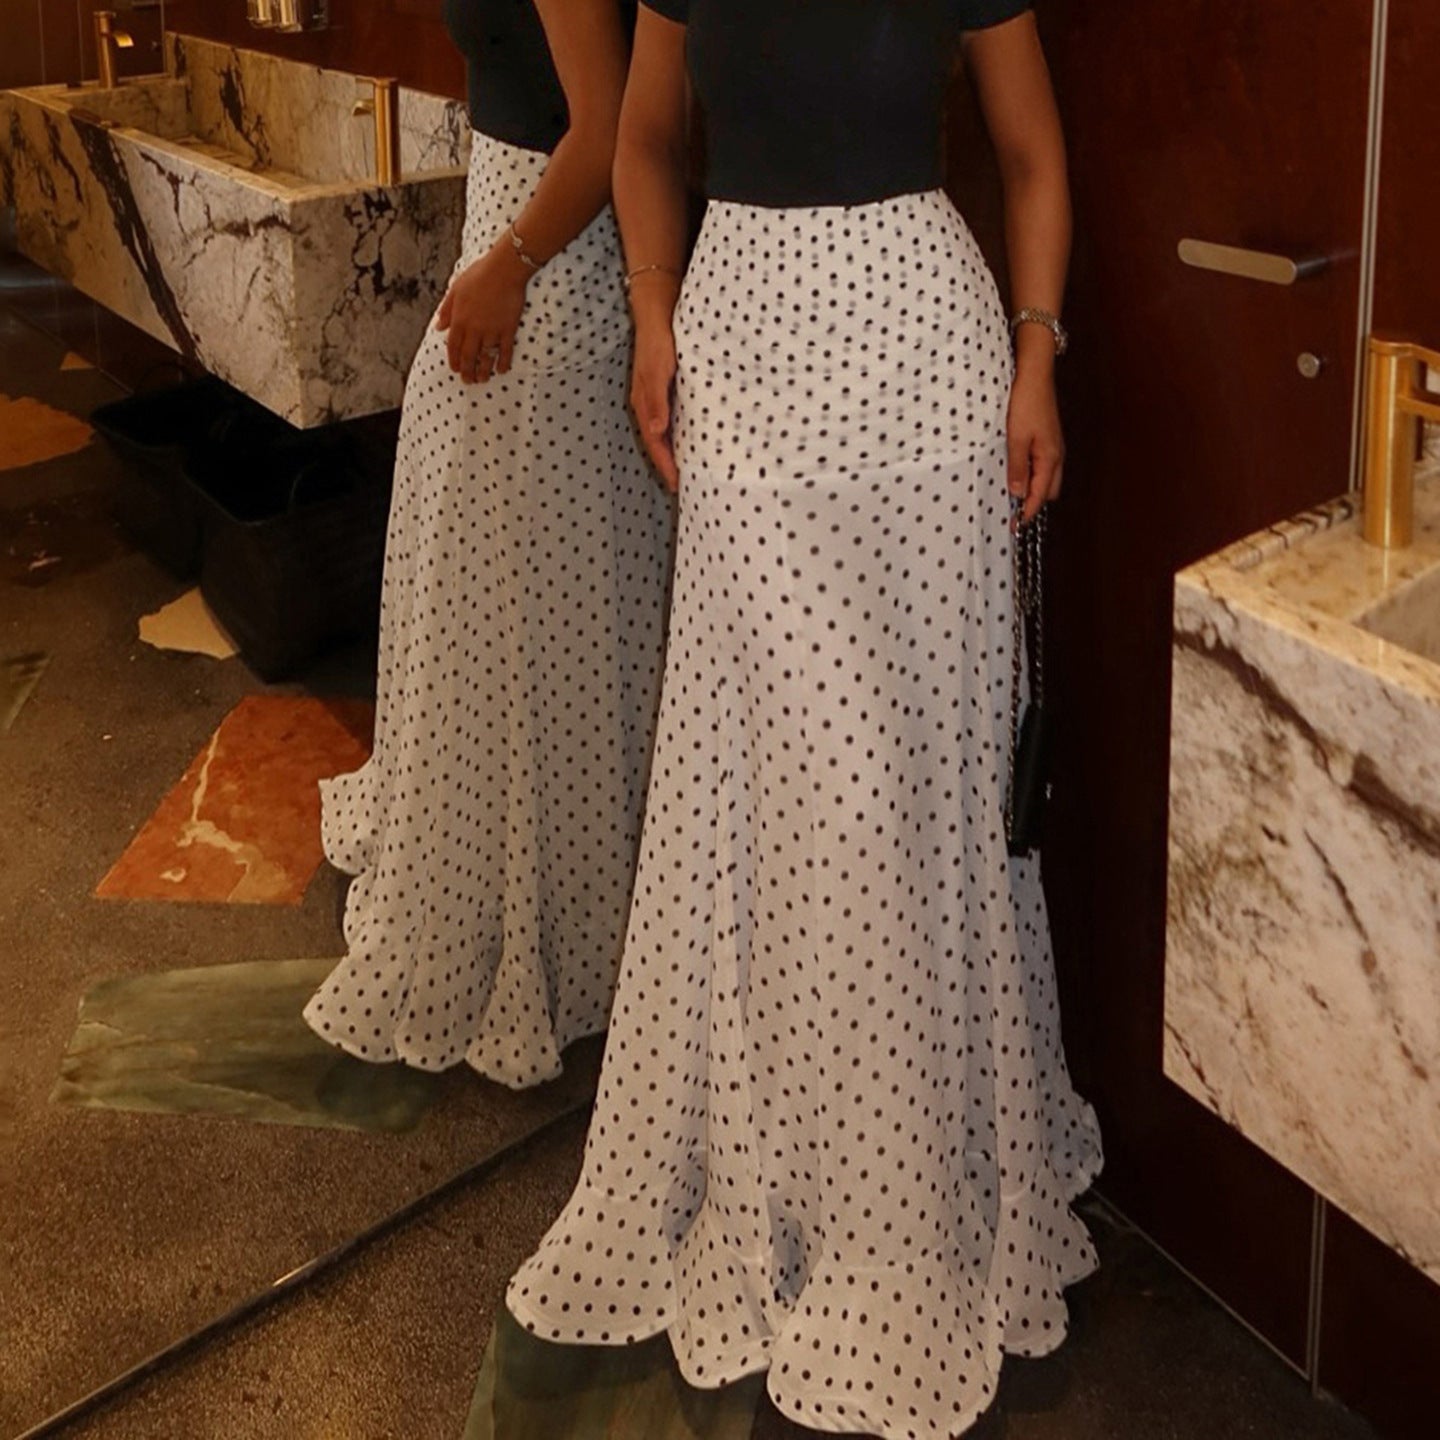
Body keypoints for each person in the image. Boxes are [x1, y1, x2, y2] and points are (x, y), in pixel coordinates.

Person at [506, 2, 1103, 1435]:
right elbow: (645, 139)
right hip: (743, 356)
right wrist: (653, 315)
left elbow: (1033, 155)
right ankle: (780, 1163)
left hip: (925, 369)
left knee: (908, 791)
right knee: (776, 787)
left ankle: (915, 1182)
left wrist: (1036, 353)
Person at [304, 0, 672, 1090]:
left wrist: (508, 264)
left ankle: (542, 922)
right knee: (529, 627)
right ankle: (567, 910)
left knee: (512, 629)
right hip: (536, 248)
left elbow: (605, 125)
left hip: (550, 269)